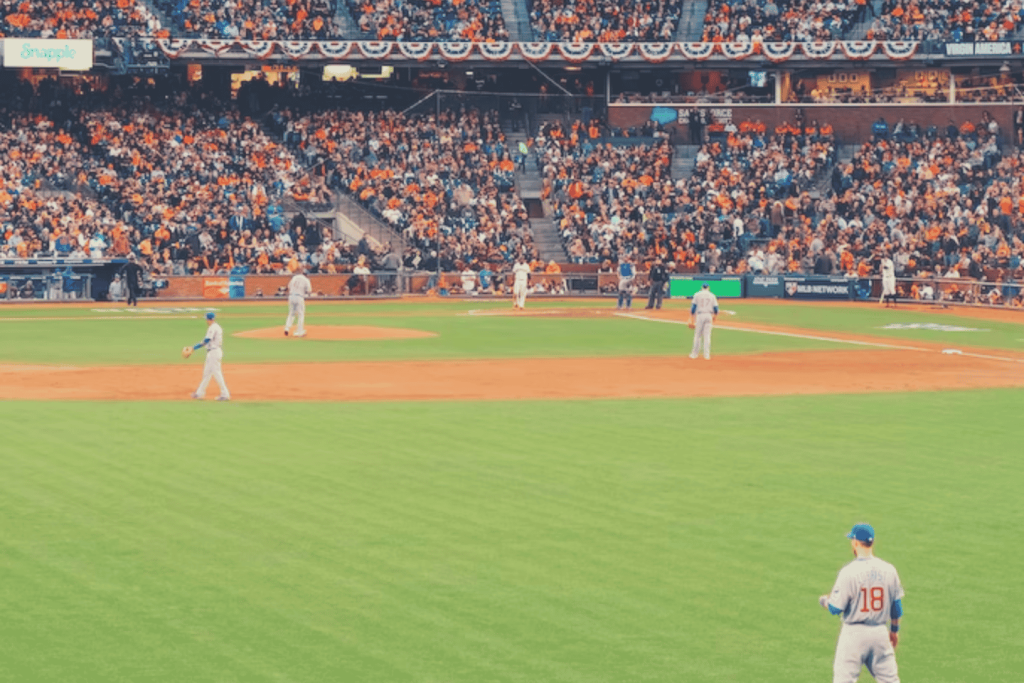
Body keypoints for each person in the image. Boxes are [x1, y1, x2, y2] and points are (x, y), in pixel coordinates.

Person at [819, 523, 904, 683]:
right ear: (872, 543)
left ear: (856, 543)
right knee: (890, 680)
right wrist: (894, 631)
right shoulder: (889, 570)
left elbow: (835, 608)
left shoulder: (848, 572)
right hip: (880, 633)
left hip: (853, 634)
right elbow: (896, 607)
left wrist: (825, 600)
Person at [190, 311, 230, 401]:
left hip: (214, 352)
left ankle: (225, 394)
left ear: (209, 319)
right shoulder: (216, 327)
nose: (206, 321)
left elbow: (207, 340)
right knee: (207, 373)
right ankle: (199, 393)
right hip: (212, 352)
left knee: (217, 373)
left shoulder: (213, 328)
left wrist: (194, 348)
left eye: (206, 319)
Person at [688, 282, 719, 359]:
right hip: (709, 315)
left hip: (700, 315)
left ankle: (694, 354)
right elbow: (716, 309)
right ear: (708, 287)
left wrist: (691, 318)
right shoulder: (712, 295)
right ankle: (707, 355)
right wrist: (715, 316)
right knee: (707, 336)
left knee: (697, 335)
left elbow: (693, 308)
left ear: (702, 287)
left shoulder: (697, 294)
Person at [284, 266, 312, 337]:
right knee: (300, 314)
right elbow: (309, 290)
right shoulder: (305, 279)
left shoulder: (294, 278)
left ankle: (287, 328)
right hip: (299, 297)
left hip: (291, 296)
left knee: (291, 313)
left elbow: (289, 287)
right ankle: (299, 331)